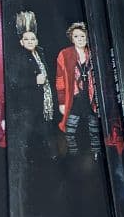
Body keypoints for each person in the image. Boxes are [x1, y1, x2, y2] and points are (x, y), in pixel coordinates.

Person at [56, 22, 101, 156]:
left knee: (95, 131)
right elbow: (60, 79)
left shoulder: (94, 53)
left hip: (92, 97)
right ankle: (73, 155)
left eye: (82, 36)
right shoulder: (65, 54)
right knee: (69, 132)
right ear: (72, 38)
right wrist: (62, 101)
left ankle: (97, 154)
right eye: (76, 36)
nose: (80, 39)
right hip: (74, 97)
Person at [12, 12, 55, 144]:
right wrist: (34, 81)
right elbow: (14, 82)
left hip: (44, 102)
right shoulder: (19, 57)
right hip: (28, 105)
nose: (30, 41)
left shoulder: (40, 53)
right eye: (26, 39)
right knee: (28, 137)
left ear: (36, 41)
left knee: (45, 135)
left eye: (32, 39)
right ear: (21, 42)